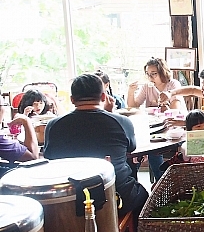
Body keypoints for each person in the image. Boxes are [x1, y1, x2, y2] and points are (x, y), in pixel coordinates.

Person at [43, 73, 149, 222]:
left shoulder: (53, 126)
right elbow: (131, 148)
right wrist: (110, 114)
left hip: (69, 200)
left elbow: (49, 157)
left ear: (72, 99)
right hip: (115, 195)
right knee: (143, 195)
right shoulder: (122, 122)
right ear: (104, 96)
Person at [127, 57, 186, 180]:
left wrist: (166, 106)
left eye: (153, 74)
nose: (150, 78)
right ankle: (132, 181)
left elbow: (175, 109)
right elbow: (133, 106)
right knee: (135, 148)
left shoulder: (173, 84)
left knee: (153, 149)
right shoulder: (147, 87)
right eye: (148, 74)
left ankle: (161, 180)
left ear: (162, 72)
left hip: (173, 126)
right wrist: (131, 91)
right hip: (153, 127)